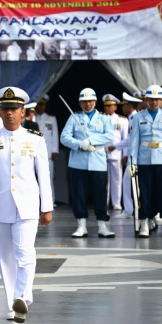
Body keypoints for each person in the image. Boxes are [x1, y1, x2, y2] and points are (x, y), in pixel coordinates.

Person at [0, 86, 53, 324]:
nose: (9, 113)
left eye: (14, 109)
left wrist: (46, 207)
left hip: (26, 206)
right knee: (5, 259)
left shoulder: (34, 140)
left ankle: (23, 298)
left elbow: (43, 175)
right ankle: (13, 305)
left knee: (25, 254)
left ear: (23, 112)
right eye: (5, 109)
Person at [60, 88, 115, 238]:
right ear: (80, 103)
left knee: (99, 194)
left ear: (95, 102)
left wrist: (91, 140)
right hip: (78, 162)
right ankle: (81, 226)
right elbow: (64, 137)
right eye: (84, 101)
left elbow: (109, 135)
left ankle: (102, 226)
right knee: (79, 194)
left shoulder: (104, 118)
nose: (88, 104)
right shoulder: (74, 117)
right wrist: (80, 144)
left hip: (97, 162)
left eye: (90, 101)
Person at [129, 85, 162, 237]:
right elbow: (134, 141)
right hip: (144, 160)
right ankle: (144, 222)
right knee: (144, 193)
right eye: (151, 99)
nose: (154, 102)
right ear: (146, 100)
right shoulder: (138, 117)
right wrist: (132, 162)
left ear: (161, 100)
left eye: (157, 99)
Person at [114, 93, 142, 219]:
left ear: (130, 106)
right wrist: (116, 146)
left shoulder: (135, 118)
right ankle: (129, 210)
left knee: (131, 182)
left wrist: (115, 146)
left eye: (124, 106)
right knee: (129, 182)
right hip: (133, 155)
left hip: (137, 156)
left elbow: (131, 139)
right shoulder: (131, 118)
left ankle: (131, 210)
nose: (122, 108)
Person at [103, 94, 128, 211]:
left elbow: (125, 138)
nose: (107, 108)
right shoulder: (100, 118)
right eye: (105, 106)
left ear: (115, 107)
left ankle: (116, 203)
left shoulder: (122, 120)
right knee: (104, 180)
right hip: (103, 154)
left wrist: (125, 154)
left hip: (117, 154)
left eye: (110, 106)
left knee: (117, 180)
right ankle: (104, 202)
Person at [34, 95, 59, 207]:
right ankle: (37, 201)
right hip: (34, 152)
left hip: (48, 152)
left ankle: (51, 200)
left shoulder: (51, 118)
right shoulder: (32, 117)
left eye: (43, 105)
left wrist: (55, 150)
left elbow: (55, 135)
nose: (41, 107)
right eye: (39, 105)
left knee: (48, 178)